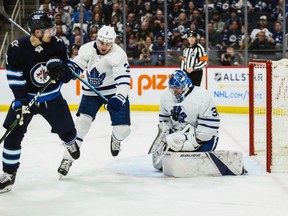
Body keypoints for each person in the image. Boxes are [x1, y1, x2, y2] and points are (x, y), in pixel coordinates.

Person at [0, 10, 80, 193]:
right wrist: (19, 103)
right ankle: (9, 174)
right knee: (12, 136)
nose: (53, 32)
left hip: (52, 98)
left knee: (68, 132)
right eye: (49, 30)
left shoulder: (57, 44)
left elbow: (68, 72)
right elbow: (15, 79)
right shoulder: (16, 49)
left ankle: (70, 142)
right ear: (37, 32)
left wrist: (61, 71)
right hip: (27, 101)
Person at [57, 25, 131, 177]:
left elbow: (124, 82)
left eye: (107, 43)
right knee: (81, 124)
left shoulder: (119, 55)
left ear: (113, 43)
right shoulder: (86, 49)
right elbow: (76, 67)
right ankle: (67, 159)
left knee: (123, 129)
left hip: (112, 93)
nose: (103, 46)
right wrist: (67, 71)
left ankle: (116, 139)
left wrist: (119, 97)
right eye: (101, 42)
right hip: (91, 92)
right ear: (97, 39)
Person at [151, 70, 220, 171]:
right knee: (161, 166)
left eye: (177, 88)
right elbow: (164, 121)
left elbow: (210, 126)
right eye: (173, 88)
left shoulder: (203, 96)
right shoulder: (165, 97)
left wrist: (190, 144)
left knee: (194, 166)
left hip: (202, 138)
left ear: (186, 85)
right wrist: (166, 138)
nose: (175, 91)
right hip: (179, 135)